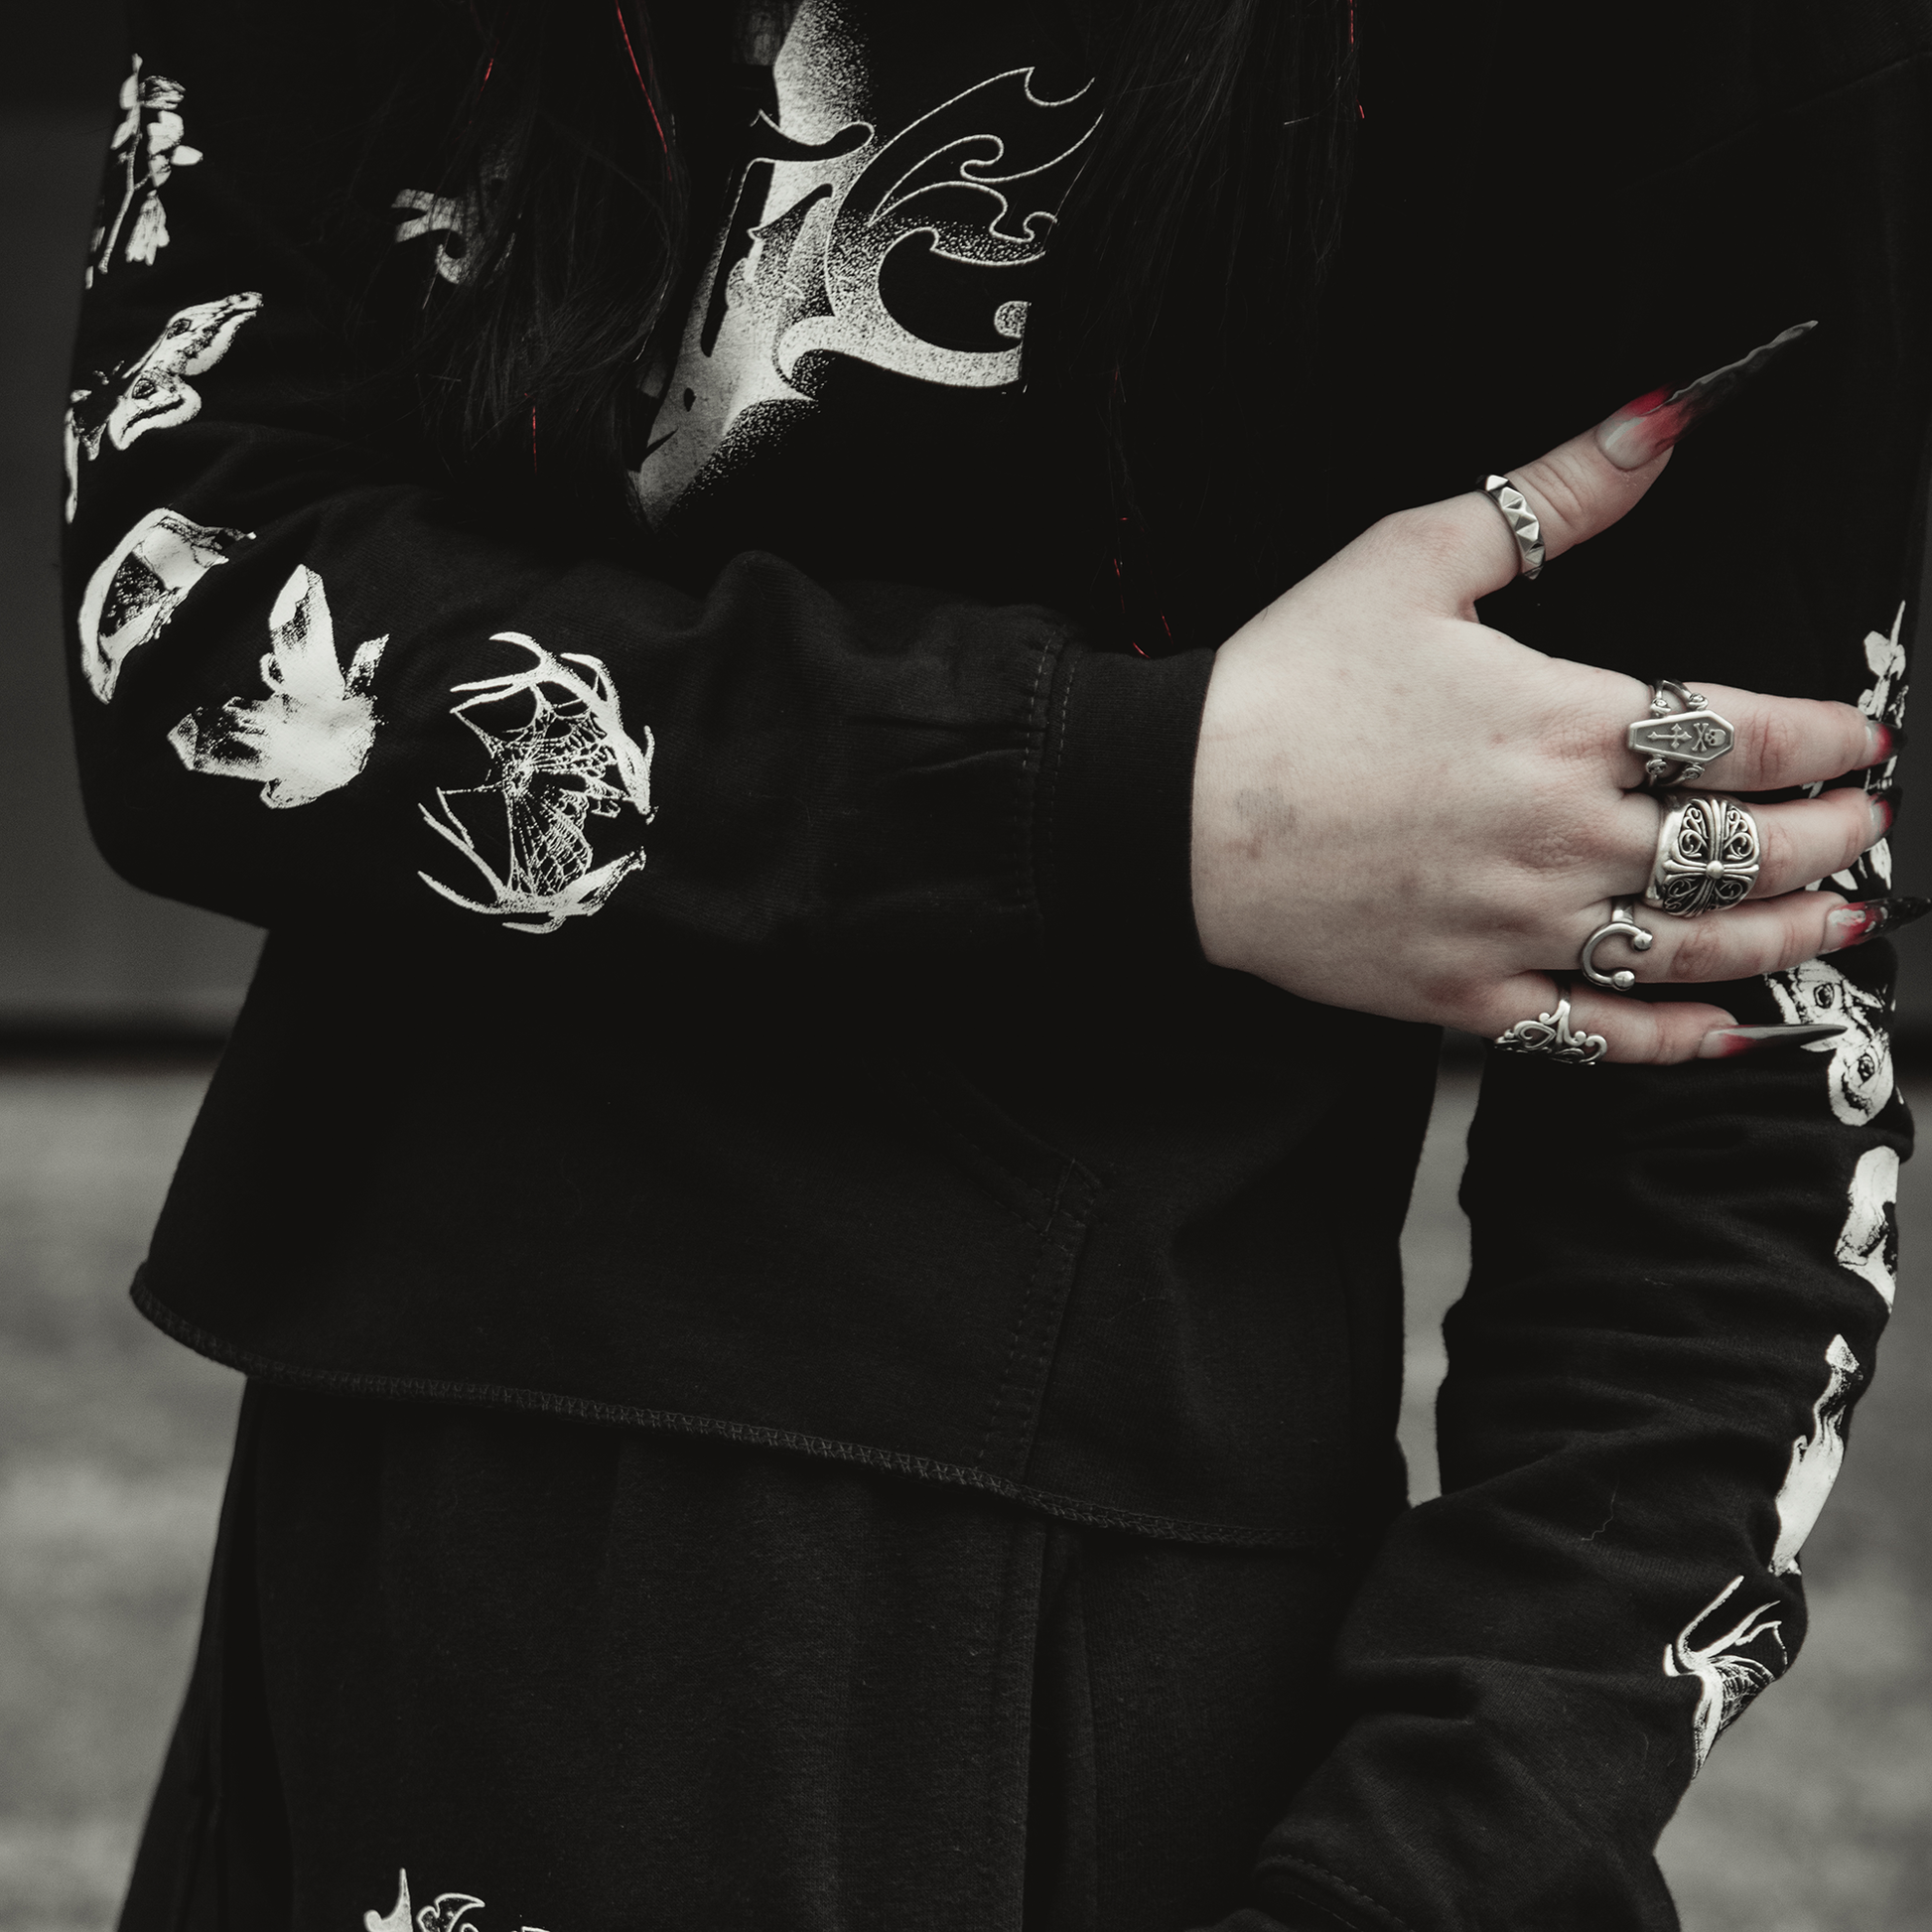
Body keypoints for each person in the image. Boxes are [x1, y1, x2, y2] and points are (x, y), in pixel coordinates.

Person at [66, 1, 1925, 1927]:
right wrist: (1134, 795)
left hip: (1039, 1655)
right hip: (382, 1538)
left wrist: (1437, 1863)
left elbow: (1728, 1053)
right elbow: (187, 617)